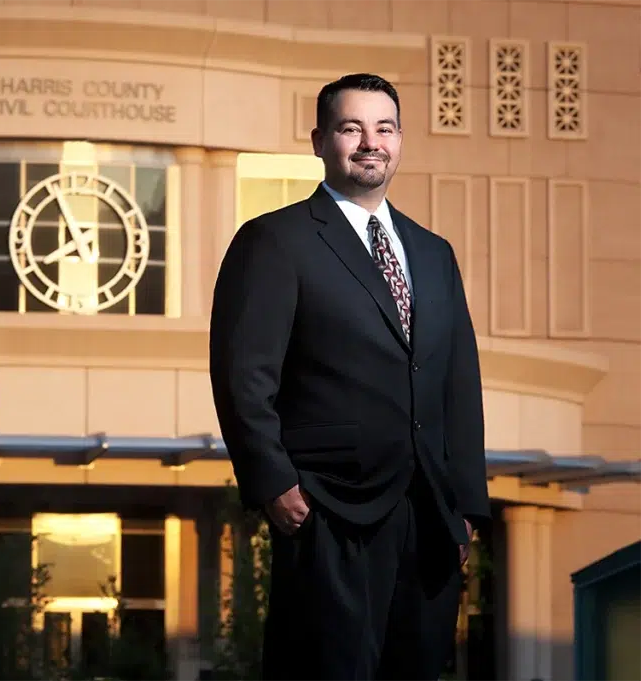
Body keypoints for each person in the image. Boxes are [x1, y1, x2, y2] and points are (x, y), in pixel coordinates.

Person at [208, 73, 490, 681]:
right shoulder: (274, 241)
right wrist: (273, 480)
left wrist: (465, 501)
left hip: (428, 516)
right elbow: (242, 373)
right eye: (351, 128)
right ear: (319, 141)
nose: (370, 142)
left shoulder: (434, 252)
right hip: (327, 509)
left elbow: (458, 383)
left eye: (384, 128)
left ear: (400, 141)